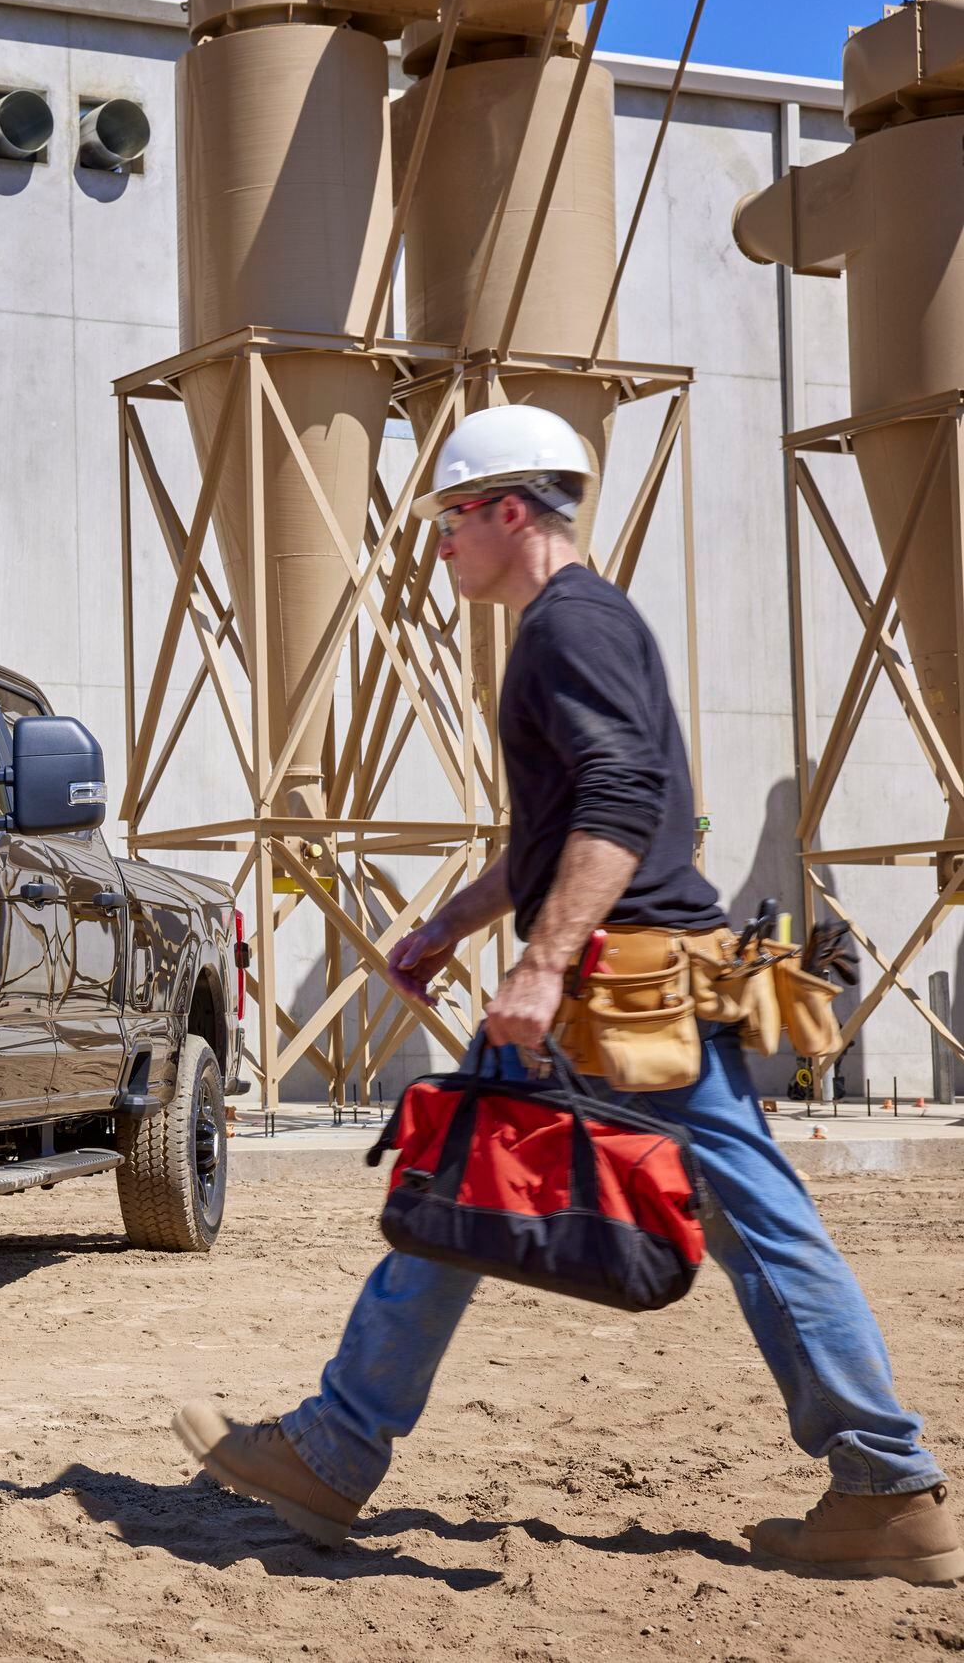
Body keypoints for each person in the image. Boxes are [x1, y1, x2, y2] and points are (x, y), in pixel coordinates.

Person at [172, 404, 961, 1586]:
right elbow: (559, 825)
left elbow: (616, 799)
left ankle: (884, 1477)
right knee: (464, 1184)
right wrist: (451, 922)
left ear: (506, 510)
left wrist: (541, 962)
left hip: (623, 987)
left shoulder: (565, 627)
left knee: (709, 1217)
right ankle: (337, 1444)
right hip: (635, 974)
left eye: (449, 518)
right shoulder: (576, 623)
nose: (436, 544)